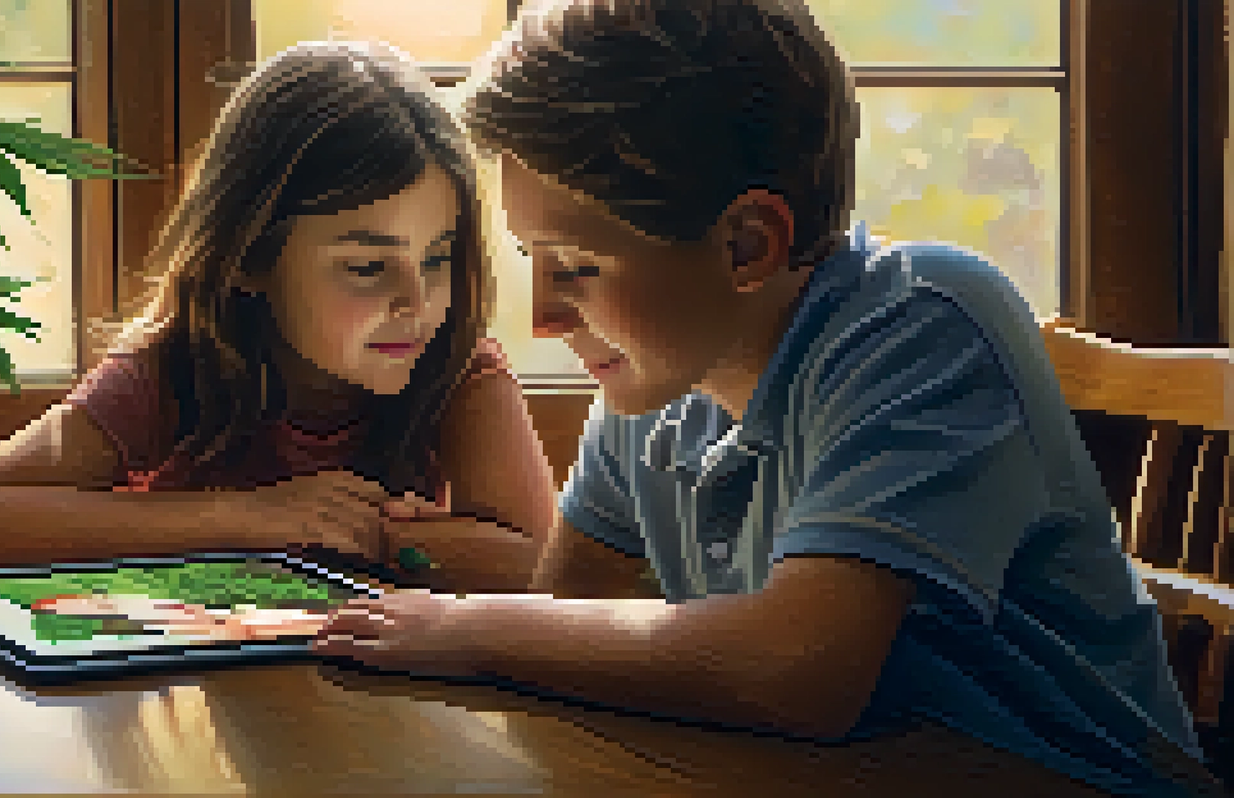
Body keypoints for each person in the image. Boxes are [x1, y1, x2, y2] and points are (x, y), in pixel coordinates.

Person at [313, 1, 1220, 794]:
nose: (543, 318)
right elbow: (566, 615)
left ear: (747, 244)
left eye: (579, 266)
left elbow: (797, 670)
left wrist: (470, 628)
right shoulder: (654, 392)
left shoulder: (924, 324)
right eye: (533, 262)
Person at [0, 41, 555, 594]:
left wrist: (357, 533)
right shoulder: (173, 369)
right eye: (367, 268)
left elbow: (542, 567)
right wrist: (247, 517)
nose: (417, 304)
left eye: (438, 259)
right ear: (250, 258)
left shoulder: (458, 369)